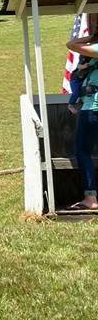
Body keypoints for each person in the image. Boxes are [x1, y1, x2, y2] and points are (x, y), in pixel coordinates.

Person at [65, 34, 98, 210]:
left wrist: (91, 37)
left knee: (82, 151)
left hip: (93, 108)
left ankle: (91, 198)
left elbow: (71, 44)